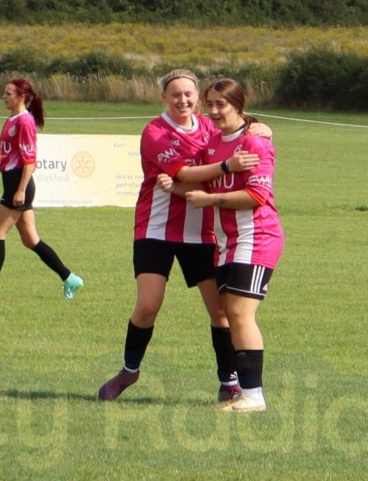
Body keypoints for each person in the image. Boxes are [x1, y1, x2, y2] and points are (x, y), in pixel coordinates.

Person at [97, 69, 265, 405]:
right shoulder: (155, 132)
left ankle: (229, 381)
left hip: (202, 233)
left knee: (220, 311)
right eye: (175, 94)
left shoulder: (208, 126)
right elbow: (185, 174)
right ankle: (130, 370)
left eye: (189, 94)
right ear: (164, 97)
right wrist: (227, 167)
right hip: (155, 230)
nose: (183, 100)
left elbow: (242, 131)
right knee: (147, 306)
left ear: (197, 98)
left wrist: (263, 128)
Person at [166, 78, 283, 413]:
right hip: (227, 243)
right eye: (211, 104)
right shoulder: (213, 143)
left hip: (257, 237)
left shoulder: (255, 144)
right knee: (231, 314)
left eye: (223, 105)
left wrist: (209, 198)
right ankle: (245, 393)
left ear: (239, 107)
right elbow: (196, 176)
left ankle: (253, 396)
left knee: (240, 313)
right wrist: (173, 185)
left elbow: (257, 196)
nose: (215, 111)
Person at [0, 78, 84, 301]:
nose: (3, 96)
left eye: (8, 93)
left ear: (21, 97)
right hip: (14, 183)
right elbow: (0, 155)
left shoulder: (24, 122)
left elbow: (30, 161)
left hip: (19, 184)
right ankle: (70, 278)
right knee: (31, 240)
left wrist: (20, 190)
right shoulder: (12, 120)